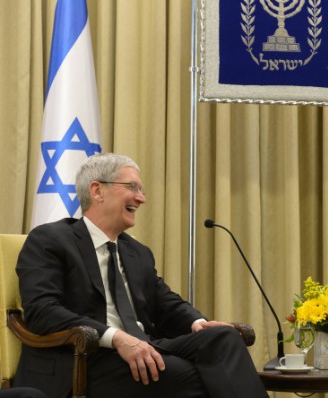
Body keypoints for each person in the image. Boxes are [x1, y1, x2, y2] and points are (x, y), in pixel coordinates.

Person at [14, 153, 269, 398]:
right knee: (207, 376)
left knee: (222, 338)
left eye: (141, 190)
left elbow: (166, 303)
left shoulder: (137, 252)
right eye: (132, 187)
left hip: (143, 348)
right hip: (84, 360)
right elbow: (42, 311)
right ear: (97, 190)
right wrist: (116, 338)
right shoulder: (50, 240)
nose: (141, 198)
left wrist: (197, 323)